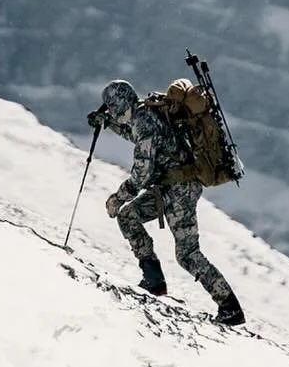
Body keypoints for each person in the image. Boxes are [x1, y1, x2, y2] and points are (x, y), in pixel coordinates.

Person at [88, 77, 245, 327]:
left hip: (179, 190)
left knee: (187, 254)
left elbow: (141, 173)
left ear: (118, 105)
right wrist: (107, 123)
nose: (113, 114)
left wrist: (117, 199)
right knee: (129, 218)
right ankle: (154, 281)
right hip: (173, 188)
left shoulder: (143, 120)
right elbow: (135, 135)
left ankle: (230, 308)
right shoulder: (145, 115)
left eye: (112, 110)